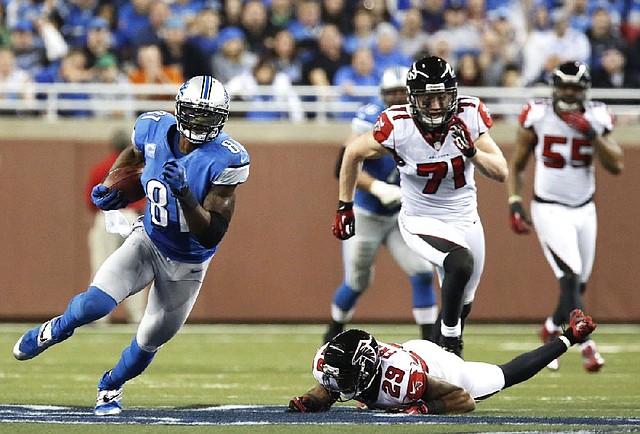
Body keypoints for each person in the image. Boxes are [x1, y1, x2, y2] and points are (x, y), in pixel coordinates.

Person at [13, 75, 250, 416]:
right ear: (179, 109)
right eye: (195, 113)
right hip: (148, 239)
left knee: (150, 339)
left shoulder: (228, 159)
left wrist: (183, 192)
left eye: (208, 116)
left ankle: (110, 386)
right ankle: (55, 329)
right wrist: (113, 182)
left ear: (222, 119)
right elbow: (135, 154)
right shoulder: (153, 126)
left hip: (188, 263)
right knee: (93, 304)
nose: (199, 122)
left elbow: (210, 233)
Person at [332, 56, 508, 358]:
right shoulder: (397, 125)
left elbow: (500, 171)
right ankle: (451, 342)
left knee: (463, 302)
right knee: (459, 263)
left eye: (442, 96)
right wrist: (344, 205)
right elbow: (352, 153)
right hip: (420, 218)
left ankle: (434, 362)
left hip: (465, 218)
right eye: (428, 99)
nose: (438, 106)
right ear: (414, 100)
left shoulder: (469, 114)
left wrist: (472, 151)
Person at [506, 61, 623, 373]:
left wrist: (591, 133)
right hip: (549, 207)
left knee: (577, 285)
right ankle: (586, 345)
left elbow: (616, 165)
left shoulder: (596, 116)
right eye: (565, 86)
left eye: (575, 87)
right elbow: (517, 163)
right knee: (569, 276)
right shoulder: (539, 114)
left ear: (584, 89)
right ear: (555, 87)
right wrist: (515, 200)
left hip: (585, 208)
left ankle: (549, 328)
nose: (569, 92)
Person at [288, 308, 598, 414]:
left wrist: (424, 407)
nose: (336, 381)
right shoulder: (336, 359)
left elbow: (463, 400)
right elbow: (328, 388)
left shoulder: (401, 380)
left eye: (345, 376)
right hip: (412, 349)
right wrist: (309, 399)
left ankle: (569, 336)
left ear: (365, 366)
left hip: (442, 370)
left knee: (506, 375)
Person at [324, 65, 437, 344]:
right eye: (392, 93)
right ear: (382, 95)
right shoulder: (371, 118)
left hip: (401, 215)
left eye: (402, 92)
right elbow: (344, 165)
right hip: (368, 214)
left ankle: (432, 345)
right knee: (357, 282)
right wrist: (377, 187)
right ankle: (332, 333)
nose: (398, 98)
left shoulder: (425, 118)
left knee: (423, 271)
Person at [85, 129, 147, 325]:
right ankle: (136, 315)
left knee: (102, 266)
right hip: (132, 217)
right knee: (136, 269)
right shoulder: (141, 168)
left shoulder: (101, 167)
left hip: (107, 217)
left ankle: (99, 316)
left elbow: (90, 200)